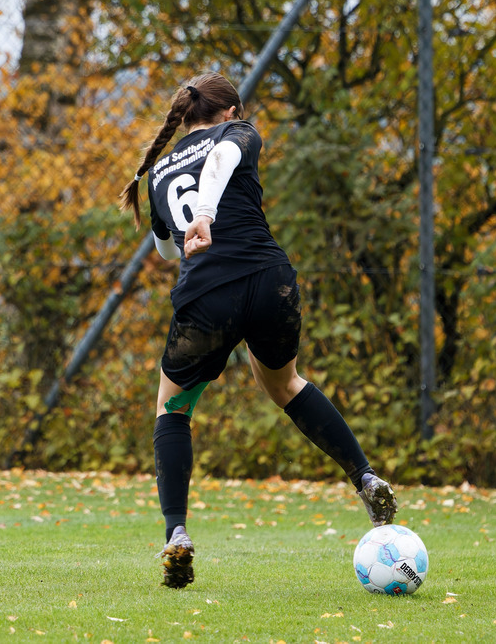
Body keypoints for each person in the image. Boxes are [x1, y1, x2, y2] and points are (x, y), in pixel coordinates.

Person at [120, 72, 397, 589]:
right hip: (270, 282)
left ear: (185, 117)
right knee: (284, 383)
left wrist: (196, 221)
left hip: (207, 295)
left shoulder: (158, 170)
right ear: (230, 113)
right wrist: (210, 210)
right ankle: (364, 476)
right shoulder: (239, 134)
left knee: (172, 405)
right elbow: (223, 159)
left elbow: (165, 249)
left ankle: (177, 533)